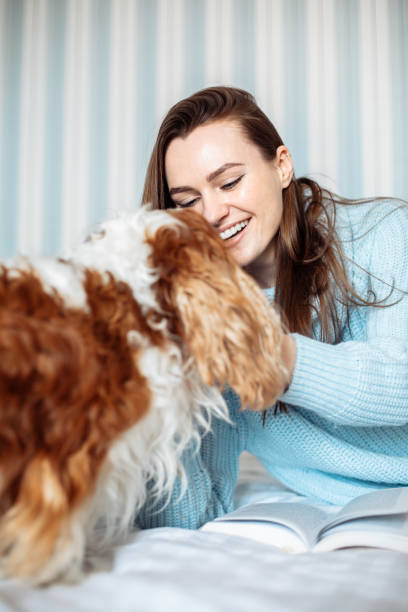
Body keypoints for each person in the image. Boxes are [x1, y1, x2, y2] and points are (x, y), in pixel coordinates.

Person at [136, 86, 408, 529]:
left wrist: (275, 359)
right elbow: (184, 516)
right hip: (356, 520)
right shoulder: (205, 317)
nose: (213, 213)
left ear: (281, 166)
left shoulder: (386, 233)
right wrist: (166, 390)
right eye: (188, 202)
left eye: (229, 182)